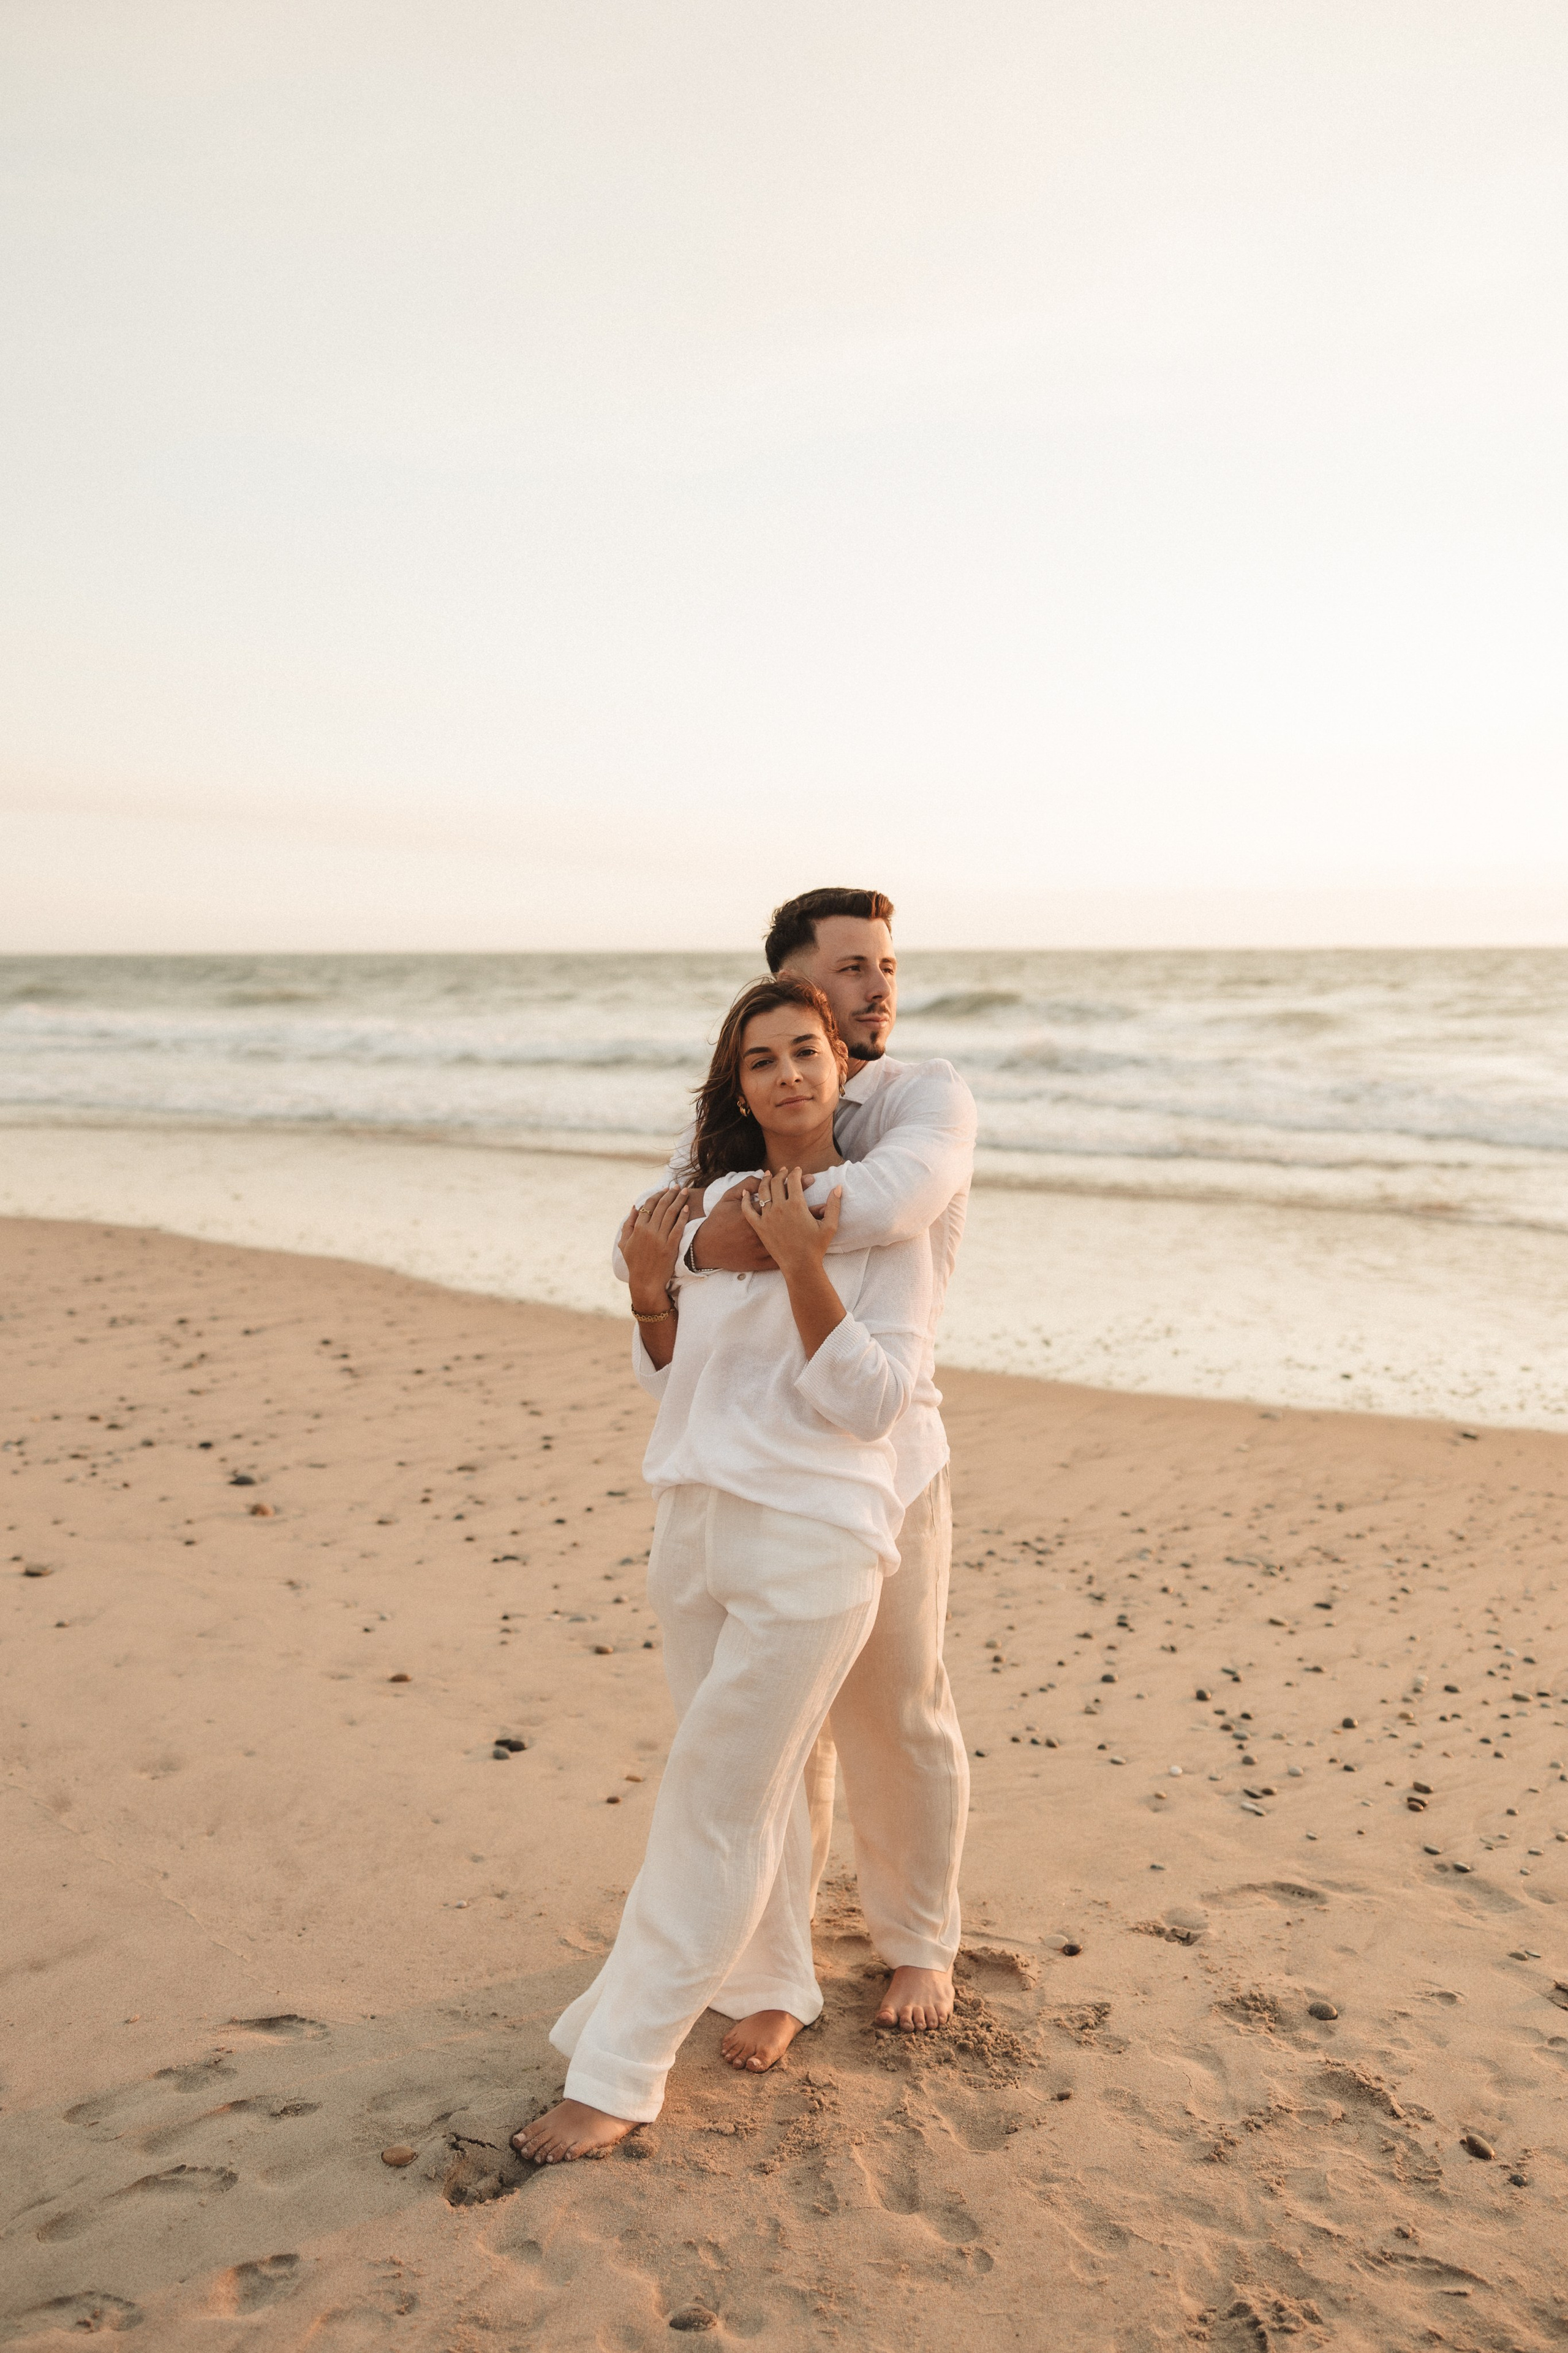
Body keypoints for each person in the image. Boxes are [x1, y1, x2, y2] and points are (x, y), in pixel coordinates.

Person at [513, 975, 930, 2163]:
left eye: (806, 1051)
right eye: (762, 1059)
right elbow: (670, 1380)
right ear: (737, 1086)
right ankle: (776, 1979)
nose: (788, 1073)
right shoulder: (702, 1206)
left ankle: (619, 2072)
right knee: (752, 1790)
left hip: (813, 1537)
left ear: (840, 1069)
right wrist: (653, 1287)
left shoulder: (876, 1224)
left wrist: (803, 1263)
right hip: (693, 1525)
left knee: (711, 1801)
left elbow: (873, 1405)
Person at [621, 886, 976, 2034]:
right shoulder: (756, 1095)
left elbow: (881, 1201)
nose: (880, 987)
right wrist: (690, 1248)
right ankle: (774, 1968)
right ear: (797, 982)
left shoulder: (923, 1094)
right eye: (853, 967)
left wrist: (708, 1239)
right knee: (780, 1735)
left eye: (888, 965)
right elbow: (654, 1242)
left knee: (898, 1710)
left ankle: (918, 1940)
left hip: (894, 1452)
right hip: (770, 1465)